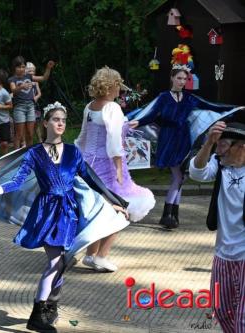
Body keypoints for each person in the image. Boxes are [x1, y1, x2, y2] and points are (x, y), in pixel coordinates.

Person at [0, 102, 129, 331]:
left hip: (70, 213)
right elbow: (16, 182)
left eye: (63, 120)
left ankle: (51, 306)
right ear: (45, 123)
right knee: (55, 261)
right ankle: (37, 313)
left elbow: (92, 180)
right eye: (55, 119)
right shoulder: (34, 153)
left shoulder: (73, 153)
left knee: (62, 261)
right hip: (46, 213)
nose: (60, 123)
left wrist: (114, 201)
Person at [130, 65, 237, 229]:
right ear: (172, 78)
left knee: (181, 178)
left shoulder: (189, 98)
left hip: (184, 139)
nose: (181, 81)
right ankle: (167, 214)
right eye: (179, 78)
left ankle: (172, 215)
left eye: (184, 79)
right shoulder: (164, 97)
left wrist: (232, 108)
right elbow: (152, 114)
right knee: (178, 177)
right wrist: (138, 121)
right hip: (169, 139)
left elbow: (211, 106)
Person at [76, 66, 156, 272]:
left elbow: (83, 137)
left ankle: (90, 255)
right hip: (107, 166)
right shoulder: (112, 108)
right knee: (120, 211)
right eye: (118, 85)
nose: (120, 89)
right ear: (112, 86)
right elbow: (112, 141)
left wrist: (126, 126)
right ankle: (101, 256)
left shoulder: (90, 107)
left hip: (88, 163)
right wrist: (119, 169)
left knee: (98, 211)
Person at [189, 121, 245, 333]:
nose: (218, 149)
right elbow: (197, 173)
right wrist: (209, 143)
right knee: (222, 311)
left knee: (243, 320)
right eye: (218, 145)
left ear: (241, 147)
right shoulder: (219, 164)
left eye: (223, 145)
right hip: (224, 253)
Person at [9, 56, 55, 149]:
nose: (21, 69)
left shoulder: (29, 76)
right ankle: (16, 157)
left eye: (23, 67)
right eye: (19, 67)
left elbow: (43, 78)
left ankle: (29, 155)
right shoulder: (12, 79)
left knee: (30, 134)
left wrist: (48, 68)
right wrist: (22, 86)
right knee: (19, 134)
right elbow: (13, 90)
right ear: (14, 68)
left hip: (30, 106)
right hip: (19, 108)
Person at [26, 62, 43, 142]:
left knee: (36, 124)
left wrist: (36, 97)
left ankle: (40, 140)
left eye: (33, 71)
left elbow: (39, 93)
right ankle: (28, 141)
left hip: (35, 105)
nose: (32, 73)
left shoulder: (36, 82)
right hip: (27, 106)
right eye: (30, 71)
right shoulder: (24, 82)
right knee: (28, 124)